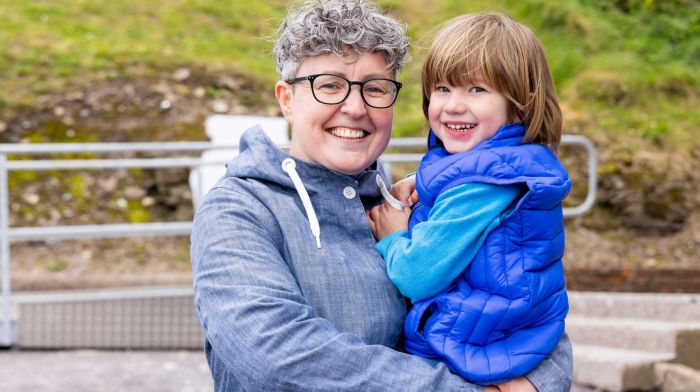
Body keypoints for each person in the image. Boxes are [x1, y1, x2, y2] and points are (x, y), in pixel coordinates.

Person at [190, 1, 573, 391]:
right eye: (329, 85)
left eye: (374, 88)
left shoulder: (398, 200)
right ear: (287, 100)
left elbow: (522, 310)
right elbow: (278, 357)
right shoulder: (239, 210)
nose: (354, 108)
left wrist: (541, 382)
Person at [367, 12, 571, 385]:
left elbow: (417, 275)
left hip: (475, 339)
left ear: (520, 103)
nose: (453, 105)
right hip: (497, 326)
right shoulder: (503, 165)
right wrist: (421, 183)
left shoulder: (481, 188)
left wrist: (393, 236)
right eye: (442, 88)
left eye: (476, 90)